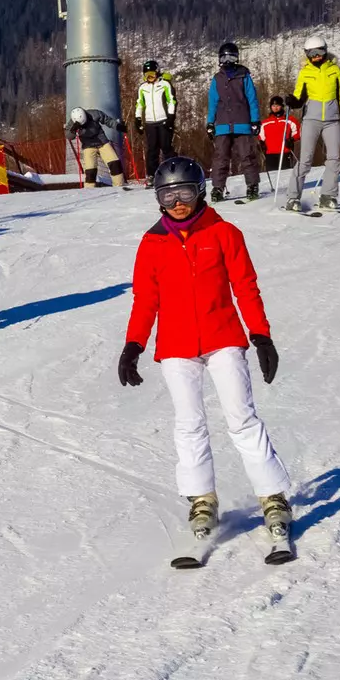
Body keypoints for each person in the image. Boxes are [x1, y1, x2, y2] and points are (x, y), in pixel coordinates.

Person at [117, 155, 291, 552]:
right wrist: (134, 345)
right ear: (158, 198)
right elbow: (146, 300)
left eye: (185, 192)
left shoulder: (224, 233)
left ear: (200, 192)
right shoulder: (152, 243)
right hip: (177, 347)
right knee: (189, 423)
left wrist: (260, 336)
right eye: (168, 194)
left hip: (223, 337)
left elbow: (246, 287)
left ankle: (272, 495)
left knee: (241, 418)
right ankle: (202, 499)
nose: (178, 202)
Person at [286, 36, 340, 213]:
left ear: (325, 50)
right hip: (311, 120)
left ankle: (328, 196)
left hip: (332, 120)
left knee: (334, 158)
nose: (316, 57)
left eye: (319, 52)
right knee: (305, 159)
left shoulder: (335, 70)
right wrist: (294, 101)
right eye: (311, 54)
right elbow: (300, 96)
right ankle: (293, 197)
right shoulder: (305, 72)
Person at [206, 41, 261, 201]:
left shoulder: (244, 75)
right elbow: (213, 102)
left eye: (231, 57)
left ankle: (252, 185)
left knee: (247, 155)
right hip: (222, 124)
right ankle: (217, 188)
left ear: (236, 58)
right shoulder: (217, 79)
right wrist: (210, 123)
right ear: (219, 60)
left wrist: (255, 120)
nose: (227, 61)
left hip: (242, 123)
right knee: (220, 157)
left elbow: (252, 99)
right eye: (224, 58)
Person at [134, 59, 177, 182]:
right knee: (152, 149)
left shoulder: (164, 85)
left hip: (163, 120)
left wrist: (170, 117)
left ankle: (172, 171)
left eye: (152, 74)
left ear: (157, 72)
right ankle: (152, 175)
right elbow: (139, 104)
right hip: (149, 122)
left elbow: (171, 101)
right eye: (147, 75)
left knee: (166, 147)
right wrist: (137, 119)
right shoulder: (142, 88)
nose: (150, 77)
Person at [68, 107, 129, 189]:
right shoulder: (72, 122)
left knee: (114, 163)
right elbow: (69, 136)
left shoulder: (94, 114)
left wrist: (118, 126)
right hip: (88, 146)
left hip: (102, 142)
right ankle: (89, 189)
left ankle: (119, 185)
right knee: (90, 170)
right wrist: (72, 131)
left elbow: (108, 121)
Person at [259, 96, 298, 175]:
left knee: (285, 175)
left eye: (277, 106)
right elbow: (261, 136)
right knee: (272, 175)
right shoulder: (265, 122)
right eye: (273, 106)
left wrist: (292, 140)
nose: (275, 108)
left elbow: (297, 132)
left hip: (285, 152)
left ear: (282, 106)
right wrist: (261, 144)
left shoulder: (289, 120)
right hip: (270, 153)